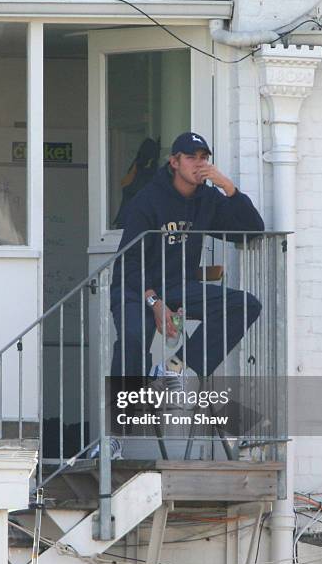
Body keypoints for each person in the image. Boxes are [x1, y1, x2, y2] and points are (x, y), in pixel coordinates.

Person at [110, 131, 264, 383]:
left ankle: (175, 367)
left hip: (178, 286)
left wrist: (228, 187)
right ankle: (125, 412)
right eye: (191, 157)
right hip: (136, 288)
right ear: (174, 162)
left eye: (204, 158)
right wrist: (155, 304)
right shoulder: (148, 199)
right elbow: (130, 262)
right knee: (134, 336)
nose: (199, 163)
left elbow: (252, 229)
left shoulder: (207, 198)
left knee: (245, 305)